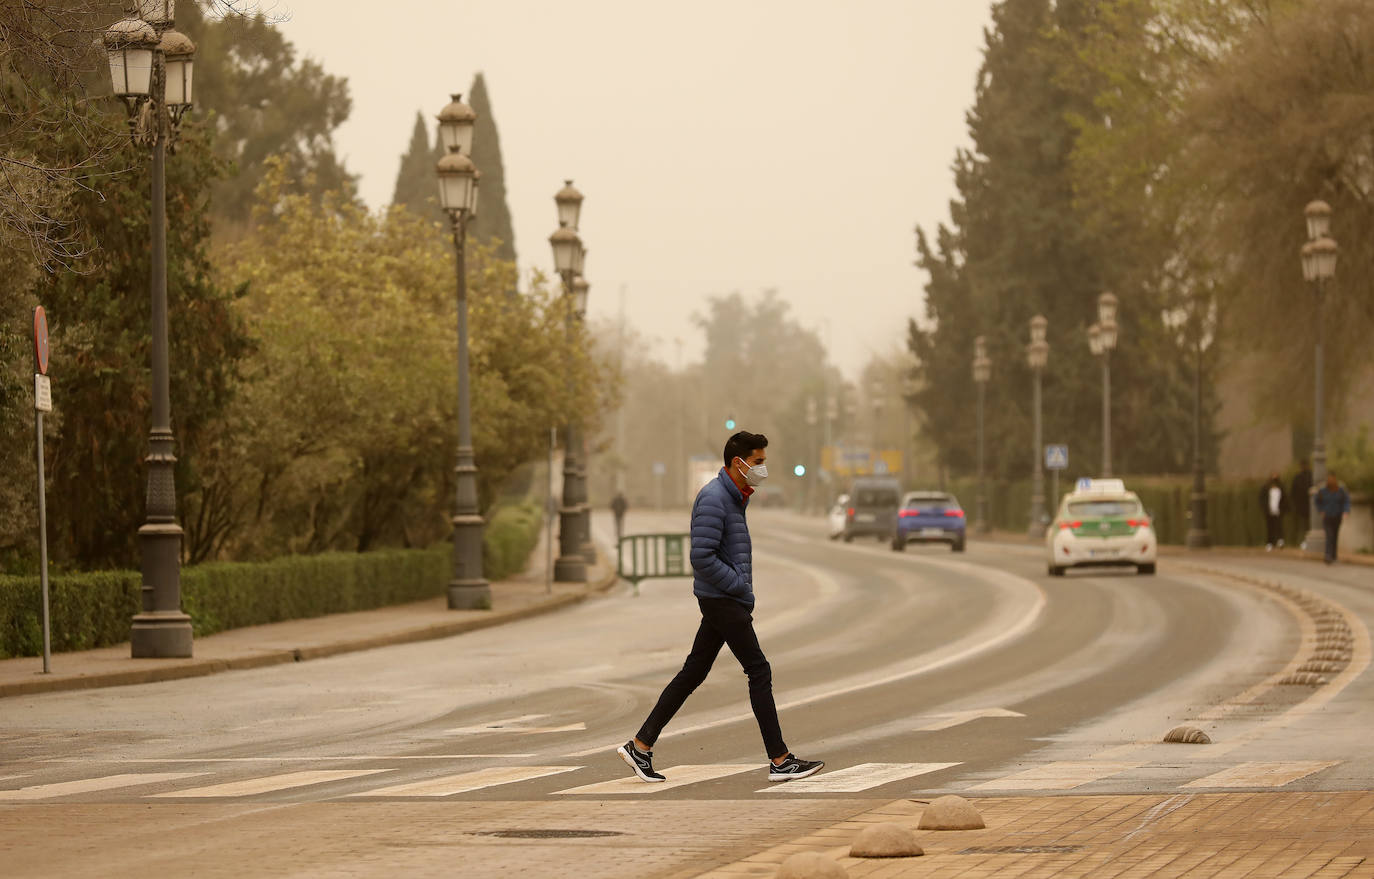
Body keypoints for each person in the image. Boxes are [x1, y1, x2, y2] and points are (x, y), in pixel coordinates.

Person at [617, 430, 824, 784]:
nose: (762, 469)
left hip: (722, 599)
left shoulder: (733, 497)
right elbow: (701, 556)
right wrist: (738, 587)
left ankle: (640, 745)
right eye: (758, 462)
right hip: (722, 599)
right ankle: (779, 759)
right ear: (737, 462)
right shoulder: (715, 499)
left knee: (693, 672)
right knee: (759, 670)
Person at [1314, 472, 1351, 564]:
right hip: (1327, 516)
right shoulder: (1323, 490)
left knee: (1334, 536)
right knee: (1329, 536)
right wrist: (1321, 510)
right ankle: (1328, 555)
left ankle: (1334, 556)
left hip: (1337, 515)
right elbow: (1317, 500)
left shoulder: (1340, 489)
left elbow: (1346, 500)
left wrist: (1345, 511)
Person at [1258, 473, 1288, 551]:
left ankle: (1280, 541)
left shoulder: (1281, 489)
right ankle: (1270, 543)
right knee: (1270, 528)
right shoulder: (1266, 489)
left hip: (1278, 512)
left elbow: (1285, 500)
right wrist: (1265, 509)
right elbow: (1262, 500)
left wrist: (1283, 509)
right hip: (1269, 512)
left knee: (1279, 527)